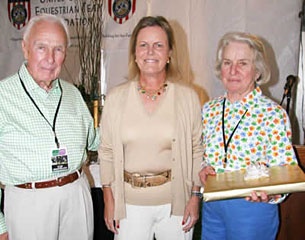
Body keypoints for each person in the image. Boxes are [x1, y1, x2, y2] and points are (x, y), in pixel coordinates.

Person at [98, 16, 203, 240]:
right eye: (143, 45)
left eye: (158, 45)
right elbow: (106, 151)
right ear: (134, 54)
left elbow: (196, 150)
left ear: (169, 53)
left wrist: (195, 196)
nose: (150, 52)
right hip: (128, 206)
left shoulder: (188, 98)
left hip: (176, 205)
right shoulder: (116, 98)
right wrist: (109, 199)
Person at [0, 14, 99, 240]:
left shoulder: (73, 94)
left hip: (76, 195)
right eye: (41, 47)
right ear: (25, 49)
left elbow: (96, 140)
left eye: (58, 49)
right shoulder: (2, 96)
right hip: (28, 202)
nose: (50, 58)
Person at [199, 31, 298, 240]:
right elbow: (201, 153)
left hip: (251, 209)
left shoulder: (272, 114)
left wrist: (272, 194)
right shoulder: (209, 109)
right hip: (212, 206)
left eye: (243, 63)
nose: (233, 70)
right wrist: (201, 168)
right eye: (227, 62)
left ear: (257, 71)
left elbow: (286, 169)